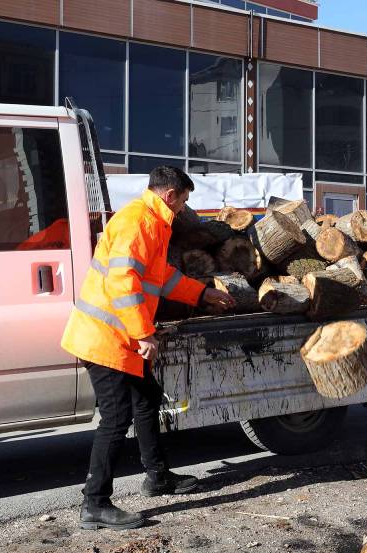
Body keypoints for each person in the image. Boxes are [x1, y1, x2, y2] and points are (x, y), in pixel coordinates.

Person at [61, 166, 236, 530]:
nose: (184, 209)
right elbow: (123, 282)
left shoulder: (153, 224)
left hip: (120, 336)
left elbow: (164, 278)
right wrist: (144, 334)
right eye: (184, 201)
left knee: (148, 398)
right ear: (170, 195)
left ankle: (157, 476)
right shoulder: (137, 222)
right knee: (115, 418)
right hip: (105, 338)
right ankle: (94, 503)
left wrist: (202, 293)